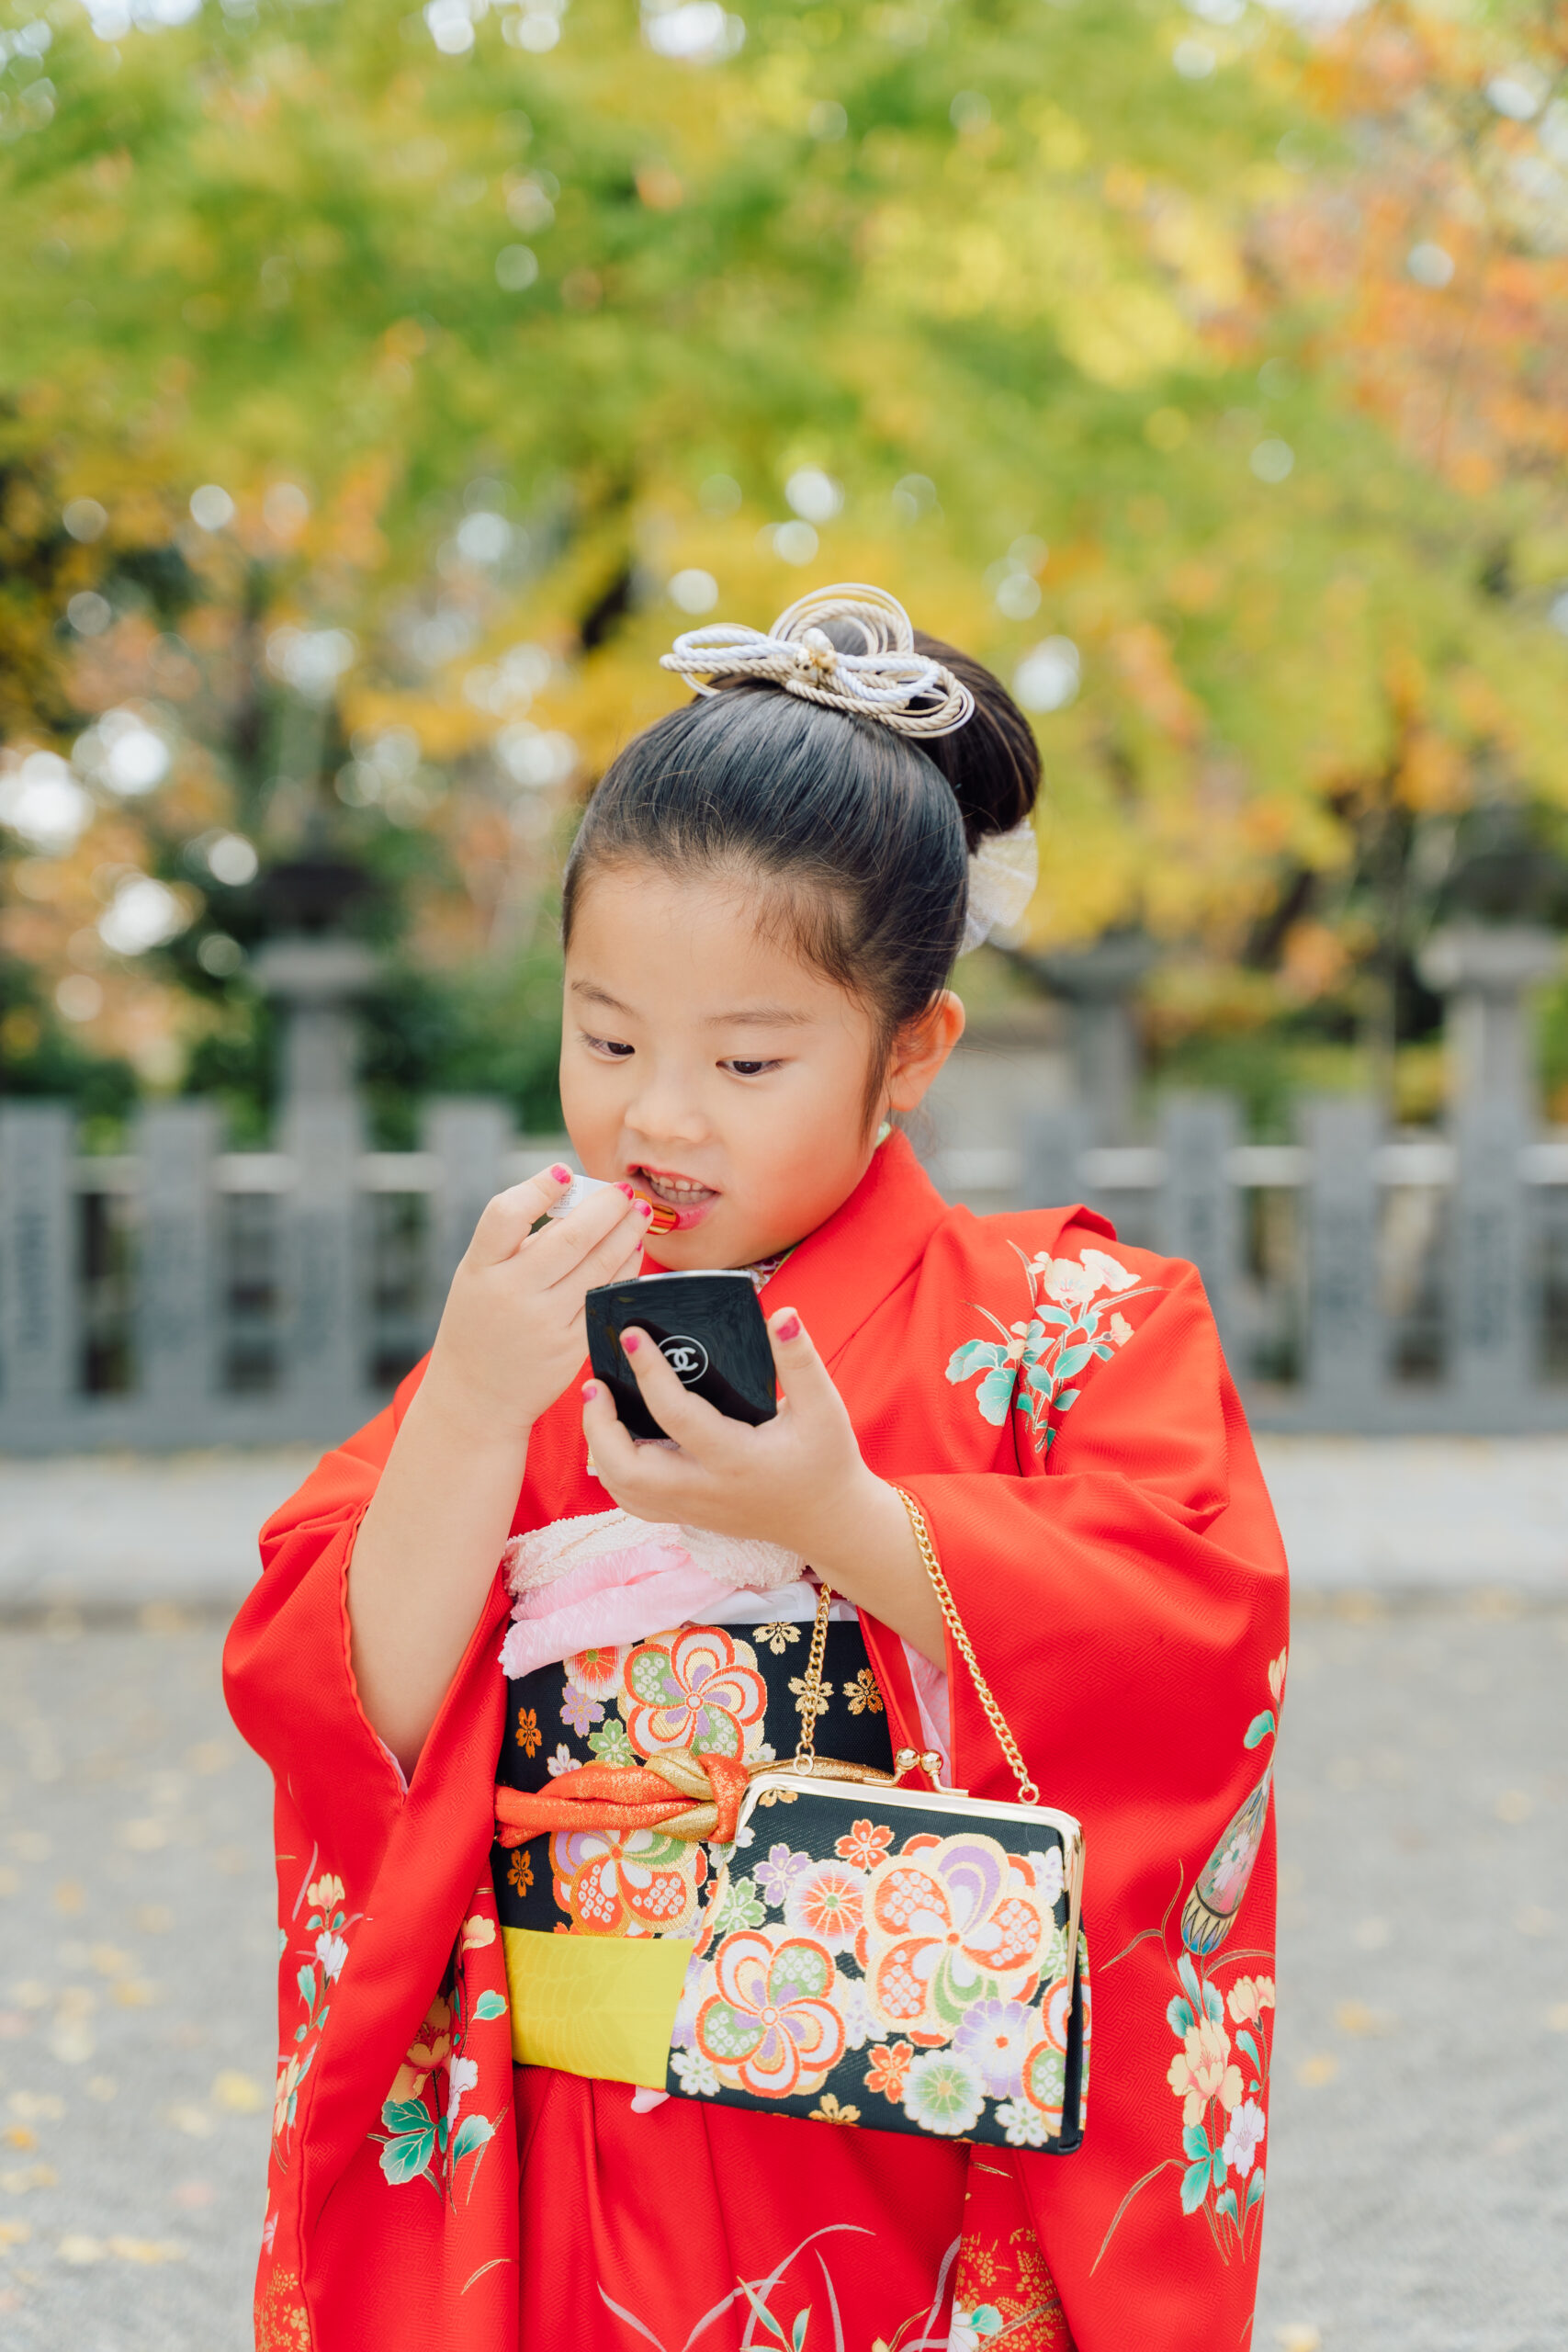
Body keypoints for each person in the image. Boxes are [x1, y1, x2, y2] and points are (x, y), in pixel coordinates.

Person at [224, 585, 1288, 2352]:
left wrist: (844, 1523)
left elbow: (1197, 1634)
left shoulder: (1082, 1326)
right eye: (608, 1036)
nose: (659, 1115)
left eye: (745, 1058)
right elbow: (341, 1709)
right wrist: (479, 1411)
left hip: (906, 2148)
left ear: (911, 1053)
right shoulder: (524, 1330)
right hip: (572, 2143)